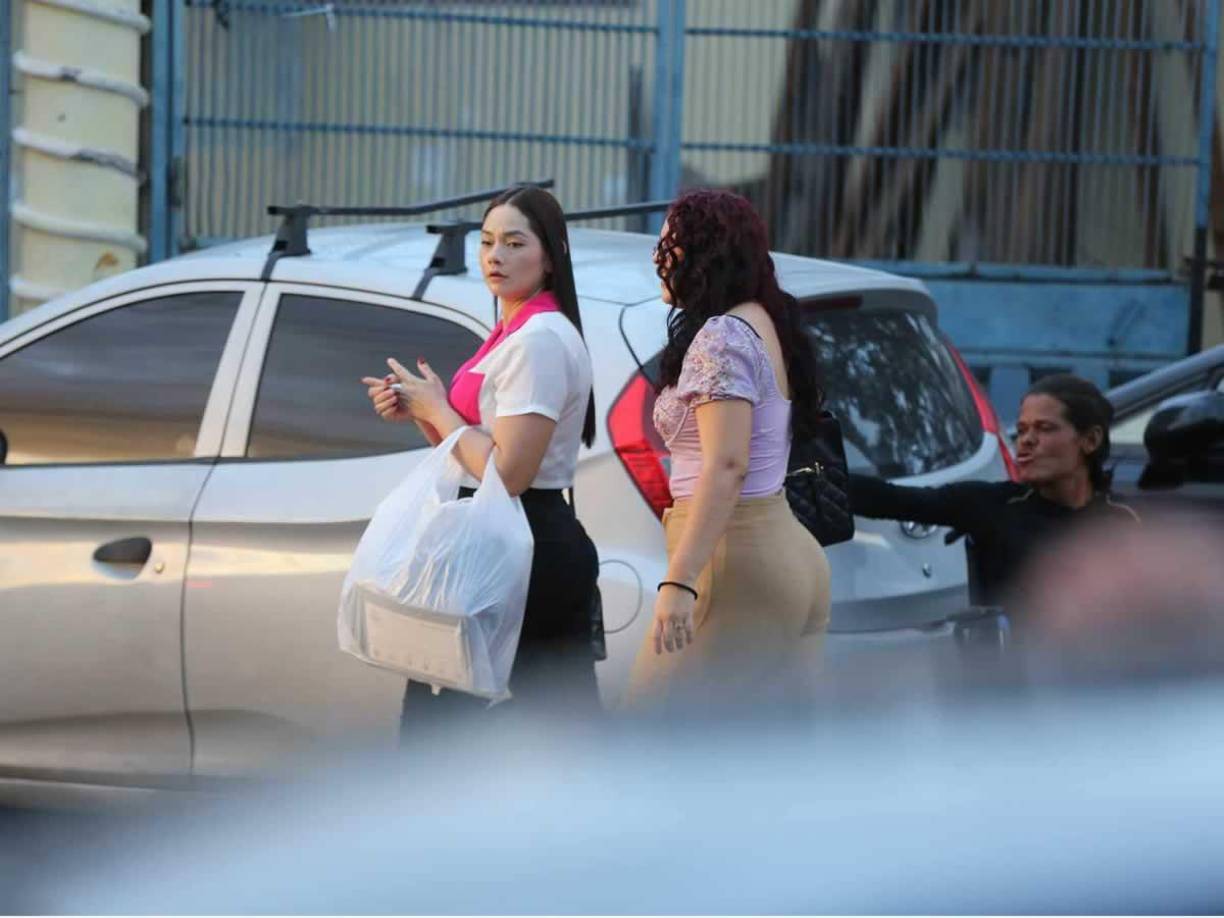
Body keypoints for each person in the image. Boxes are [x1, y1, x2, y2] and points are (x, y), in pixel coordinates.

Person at [362, 185, 600, 724]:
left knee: (495, 737)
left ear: (550, 254)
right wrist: (422, 410)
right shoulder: (512, 330)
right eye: (488, 242)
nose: (496, 255)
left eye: (515, 243)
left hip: (524, 539)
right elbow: (472, 452)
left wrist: (439, 408)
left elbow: (510, 474)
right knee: (469, 729)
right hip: (499, 533)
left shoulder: (538, 338)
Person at [623, 189, 831, 710]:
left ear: (705, 254)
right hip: (789, 552)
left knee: (646, 749)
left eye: (670, 244)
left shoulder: (721, 336)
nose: (657, 257)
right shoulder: (765, 319)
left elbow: (727, 463)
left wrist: (680, 581)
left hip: (734, 558)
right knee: (755, 764)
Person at [849, 373, 1140, 621]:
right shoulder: (993, 506)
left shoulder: (1123, 522)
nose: (1026, 441)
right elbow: (890, 499)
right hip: (1004, 678)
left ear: (1090, 440)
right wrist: (812, 471)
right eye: (1023, 429)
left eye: (1045, 428)